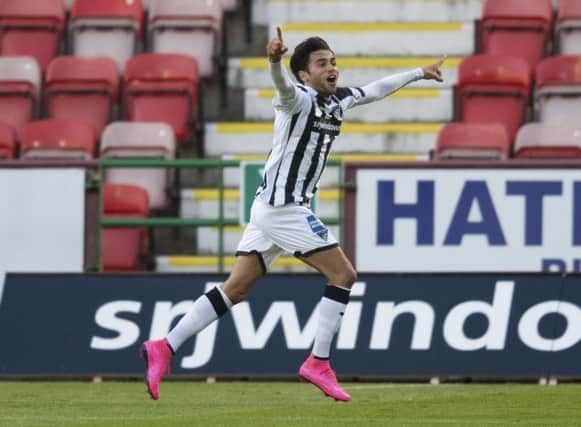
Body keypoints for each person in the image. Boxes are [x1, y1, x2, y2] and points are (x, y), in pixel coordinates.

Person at [141, 26, 446, 402]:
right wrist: (273, 61)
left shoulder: (338, 101)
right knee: (343, 274)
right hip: (283, 208)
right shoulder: (296, 99)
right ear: (304, 74)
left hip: (270, 208)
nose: (332, 68)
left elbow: (377, 89)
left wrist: (419, 73)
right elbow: (281, 87)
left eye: (334, 61)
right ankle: (318, 362)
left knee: (235, 289)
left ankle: (164, 346)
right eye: (322, 63)